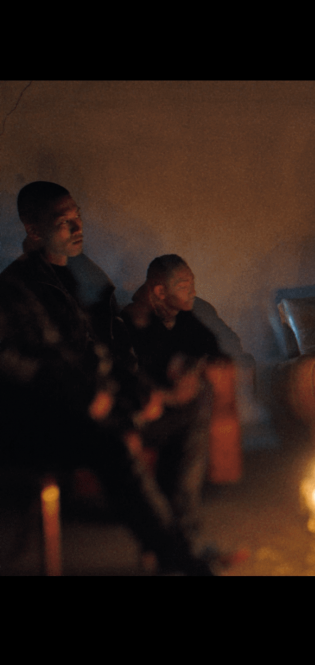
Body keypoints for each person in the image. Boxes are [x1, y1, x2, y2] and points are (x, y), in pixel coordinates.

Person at [0, 181, 213, 574]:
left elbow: (114, 351)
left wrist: (145, 392)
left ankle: (181, 540)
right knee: (112, 439)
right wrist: (90, 400)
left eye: (77, 215)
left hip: (107, 403)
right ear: (33, 230)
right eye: (62, 221)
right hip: (55, 420)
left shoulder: (87, 278)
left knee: (194, 403)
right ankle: (177, 556)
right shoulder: (15, 288)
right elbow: (17, 364)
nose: (77, 226)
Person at [122, 254, 225, 544]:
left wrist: (190, 367)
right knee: (194, 413)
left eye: (192, 284)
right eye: (183, 286)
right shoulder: (128, 323)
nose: (192, 291)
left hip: (170, 414)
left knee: (200, 397)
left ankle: (181, 524)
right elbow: (126, 378)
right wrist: (165, 396)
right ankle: (180, 527)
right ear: (159, 291)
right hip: (136, 417)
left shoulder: (181, 318)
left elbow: (212, 348)